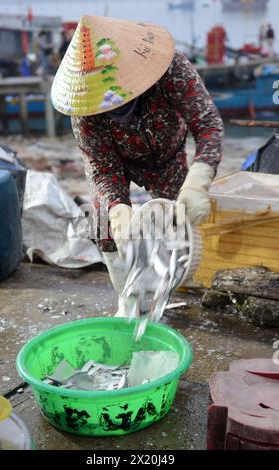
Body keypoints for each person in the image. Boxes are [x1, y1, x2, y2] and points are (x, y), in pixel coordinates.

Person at [51, 15, 224, 316]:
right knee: (104, 223)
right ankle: (128, 298)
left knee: (176, 222)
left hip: (168, 155)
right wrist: (118, 210)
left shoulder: (172, 69)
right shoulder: (85, 109)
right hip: (116, 160)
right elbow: (102, 169)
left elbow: (208, 125)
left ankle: (165, 289)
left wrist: (199, 178)